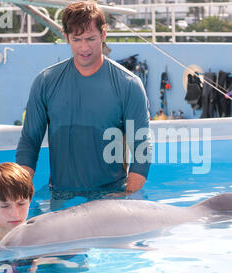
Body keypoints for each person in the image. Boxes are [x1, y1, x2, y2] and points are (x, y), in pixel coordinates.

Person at [15, 1, 151, 207]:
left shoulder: (129, 84)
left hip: (110, 196)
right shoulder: (46, 81)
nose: (84, 47)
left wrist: (127, 196)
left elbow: (141, 147)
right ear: (65, 36)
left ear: (104, 33)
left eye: (91, 38)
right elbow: (29, 141)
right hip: (59, 195)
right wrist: (19, 197)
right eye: (76, 39)